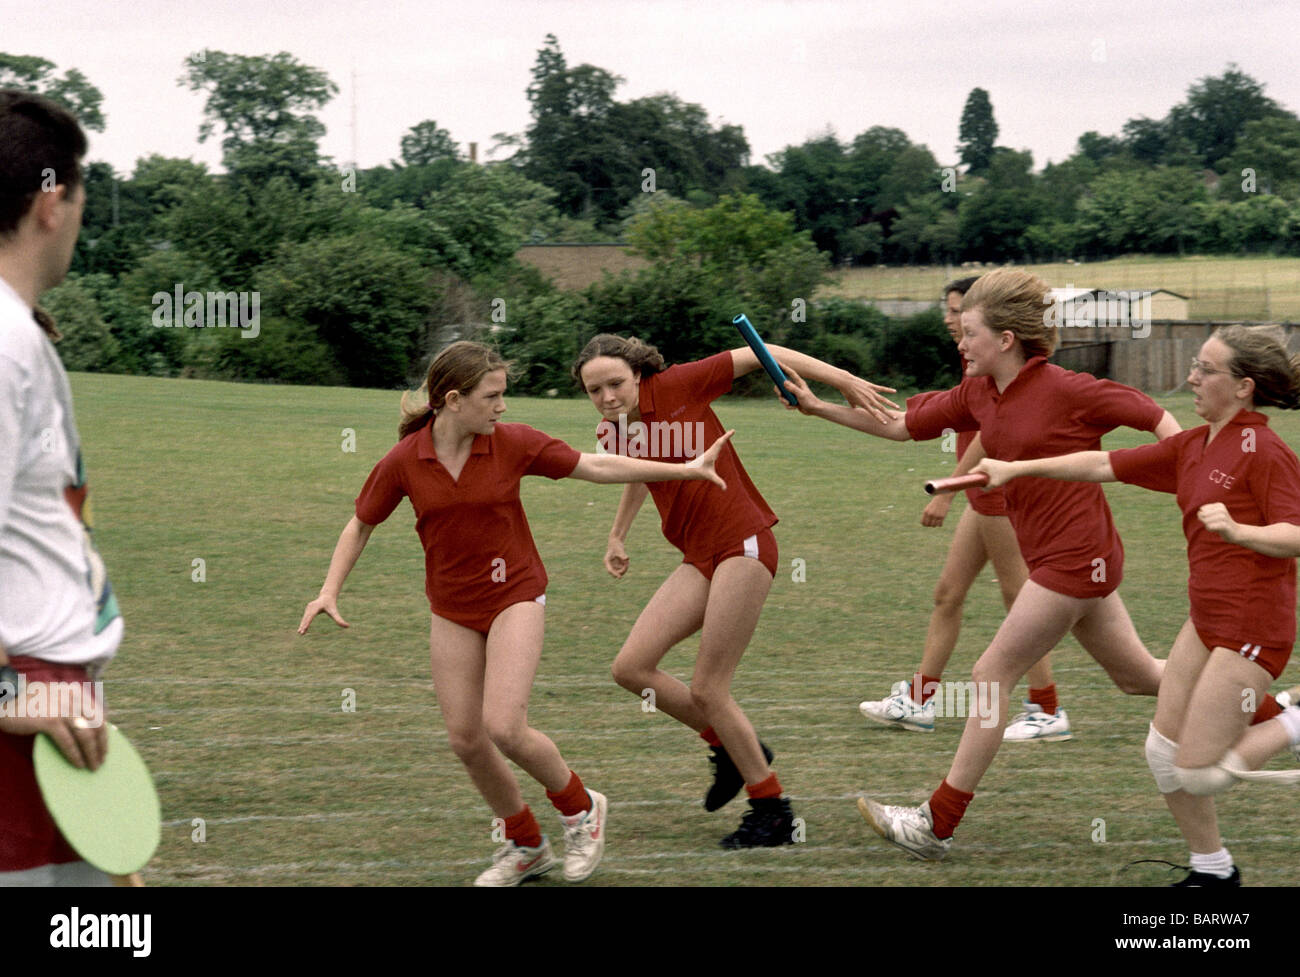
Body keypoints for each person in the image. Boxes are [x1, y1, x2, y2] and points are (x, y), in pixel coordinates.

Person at [298, 340, 736, 886]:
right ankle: (527, 846)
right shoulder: (405, 461)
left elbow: (595, 463)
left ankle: (582, 809)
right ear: (453, 400)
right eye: (493, 396)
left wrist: (685, 470)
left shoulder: (512, 442)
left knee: (504, 725)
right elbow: (361, 522)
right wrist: (329, 589)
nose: (503, 406)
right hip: (452, 607)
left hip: (516, 595)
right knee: (465, 738)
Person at [779, 267, 1180, 859]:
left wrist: (1179, 474)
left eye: (969, 332)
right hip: (1076, 561)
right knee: (1139, 677)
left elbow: (1154, 417)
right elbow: (897, 425)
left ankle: (935, 823)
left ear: (1006, 340)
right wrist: (816, 407)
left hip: (1074, 562)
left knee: (991, 675)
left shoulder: (1067, 388)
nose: (959, 342)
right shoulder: (978, 394)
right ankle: (1274, 711)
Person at [975, 325, 1300, 886]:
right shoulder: (1195, 444)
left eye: (1207, 369)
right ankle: (1213, 870)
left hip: (1254, 625)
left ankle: (1294, 720)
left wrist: (1242, 532)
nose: (1192, 377)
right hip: (1206, 620)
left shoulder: (1264, 448)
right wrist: (1017, 469)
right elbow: (1101, 463)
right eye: (1195, 365)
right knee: (1161, 751)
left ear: (1244, 387)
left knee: (1198, 773)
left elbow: (1295, 532)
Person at [573, 333, 896, 847]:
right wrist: (617, 533)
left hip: (742, 544)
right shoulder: (613, 429)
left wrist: (844, 380)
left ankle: (773, 812)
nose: (608, 397)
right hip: (699, 557)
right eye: (595, 390)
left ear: (636, 374)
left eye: (615, 383)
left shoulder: (681, 383)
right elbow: (639, 473)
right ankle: (728, 748)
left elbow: (762, 351)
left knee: (708, 687)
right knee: (631, 667)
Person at [859, 276, 1072, 742]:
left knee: (1020, 597)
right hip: (981, 490)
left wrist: (946, 491)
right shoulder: (973, 358)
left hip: (995, 489)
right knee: (948, 594)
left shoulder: (993, 362)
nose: (949, 317)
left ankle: (1047, 709)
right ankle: (919, 700)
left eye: (957, 310)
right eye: (951, 309)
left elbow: (985, 434)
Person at [0, 90, 124, 886]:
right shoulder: (4, 342)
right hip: (27, 702)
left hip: (54, 701)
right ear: (54, 200)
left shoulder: (18, 331)